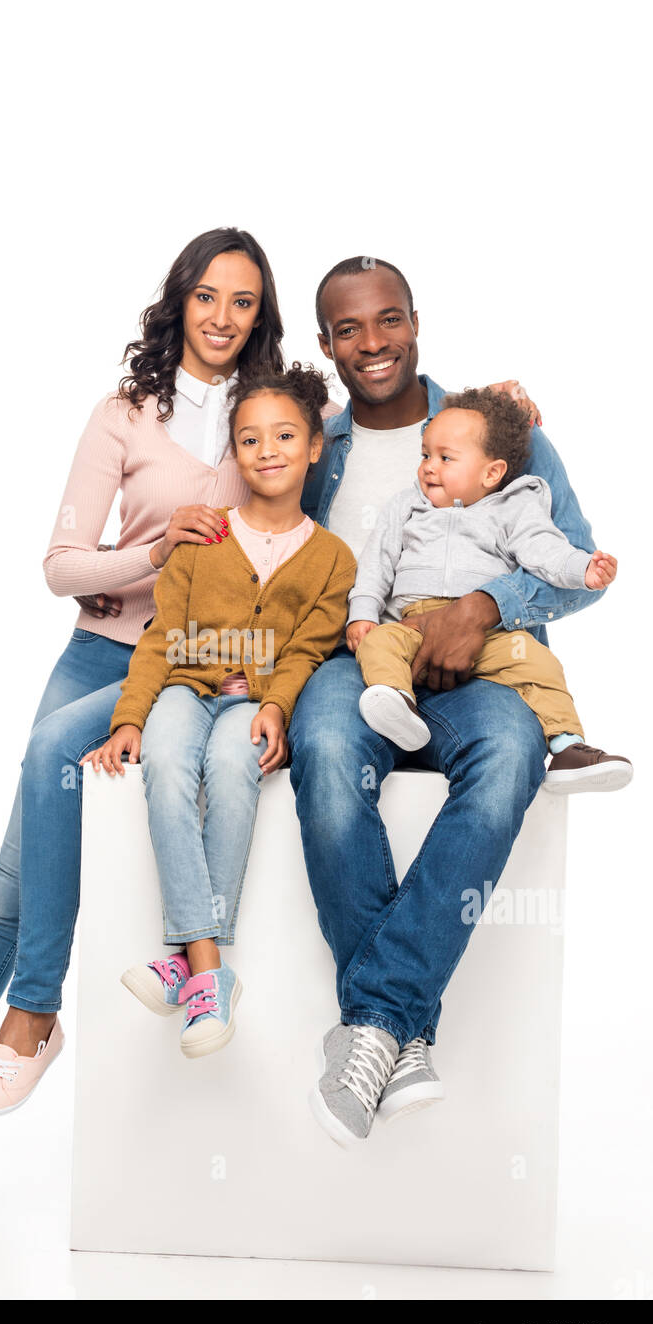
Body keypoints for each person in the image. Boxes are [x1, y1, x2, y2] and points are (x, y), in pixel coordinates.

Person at [0, 226, 286, 1163]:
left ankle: (39, 1015)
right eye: (207, 295)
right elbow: (61, 565)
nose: (221, 317)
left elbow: (369, 443)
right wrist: (152, 553)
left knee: (83, 825)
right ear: (180, 299)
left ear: (261, 316)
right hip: (102, 656)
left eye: (242, 301)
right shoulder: (124, 414)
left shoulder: (274, 414)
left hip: (203, 668)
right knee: (12, 876)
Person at [289, 257, 605, 1147]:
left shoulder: (497, 427)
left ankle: (371, 1025)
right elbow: (262, 495)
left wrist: (484, 607)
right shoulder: (322, 444)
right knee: (324, 752)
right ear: (325, 344)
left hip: (485, 666)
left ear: (415, 321)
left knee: (509, 757)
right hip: (363, 655)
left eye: (387, 320)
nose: (372, 343)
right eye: (347, 329)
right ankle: (402, 1031)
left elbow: (577, 568)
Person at [81, 367, 356, 1059]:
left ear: (315, 447)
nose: (267, 450)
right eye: (249, 438)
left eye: (285, 436)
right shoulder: (203, 539)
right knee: (168, 762)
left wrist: (275, 705)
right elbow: (160, 636)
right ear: (233, 453)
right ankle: (209, 968)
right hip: (181, 684)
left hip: (248, 704)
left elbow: (304, 651)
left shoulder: (332, 559)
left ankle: (183, 961)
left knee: (232, 764)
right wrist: (128, 719)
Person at [348, 387, 632, 794]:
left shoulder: (514, 509)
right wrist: (362, 614)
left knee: (538, 663)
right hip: (412, 628)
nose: (429, 468)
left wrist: (584, 569)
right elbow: (376, 565)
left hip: (487, 638)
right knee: (376, 646)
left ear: (492, 473)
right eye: (425, 455)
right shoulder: (406, 508)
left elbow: (546, 552)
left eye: (446, 458)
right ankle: (397, 703)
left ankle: (567, 745)